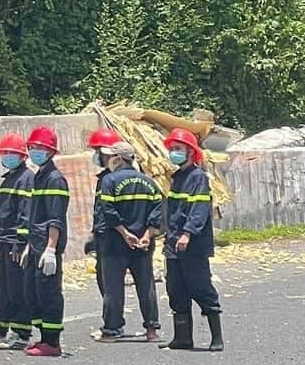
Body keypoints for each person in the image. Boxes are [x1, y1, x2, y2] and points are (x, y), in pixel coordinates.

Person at [90, 130, 162, 343]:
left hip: (115, 243)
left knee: (113, 287)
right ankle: (152, 330)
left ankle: (111, 330)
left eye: (110, 156)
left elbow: (108, 211)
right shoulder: (149, 182)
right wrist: (147, 235)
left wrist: (125, 233)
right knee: (146, 286)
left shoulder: (109, 181)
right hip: (143, 244)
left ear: (118, 159)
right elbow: (157, 213)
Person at [160, 128, 222, 352]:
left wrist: (187, 233)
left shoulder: (197, 178)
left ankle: (216, 338)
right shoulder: (177, 178)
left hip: (192, 245)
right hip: (174, 244)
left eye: (178, 149)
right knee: (176, 289)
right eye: (172, 149)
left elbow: (199, 210)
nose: (174, 152)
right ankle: (183, 338)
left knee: (200, 287)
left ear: (190, 152)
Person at [0, 133, 36, 349]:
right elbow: (2, 213)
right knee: (2, 289)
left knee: (17, 289)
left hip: (14, 243)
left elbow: (25, 213)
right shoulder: (10, 178)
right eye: (5, 154)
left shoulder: (26, 179)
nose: (8, 157)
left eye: (12, 154)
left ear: (22, 156)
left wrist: (20, 243)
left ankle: (21, 333)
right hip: (3, 241)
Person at [21, 125, 70, 357]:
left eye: (41, 148)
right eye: (33, 147)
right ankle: (42, 337)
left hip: (46, 246)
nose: (35, 151)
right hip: (36, 244)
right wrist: (30, 246)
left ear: (51, 151)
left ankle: (52, 342)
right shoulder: (40, 176)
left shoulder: (55, 179)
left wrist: (51, 248)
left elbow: (55, 217)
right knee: (33, 293)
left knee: (49, 293)